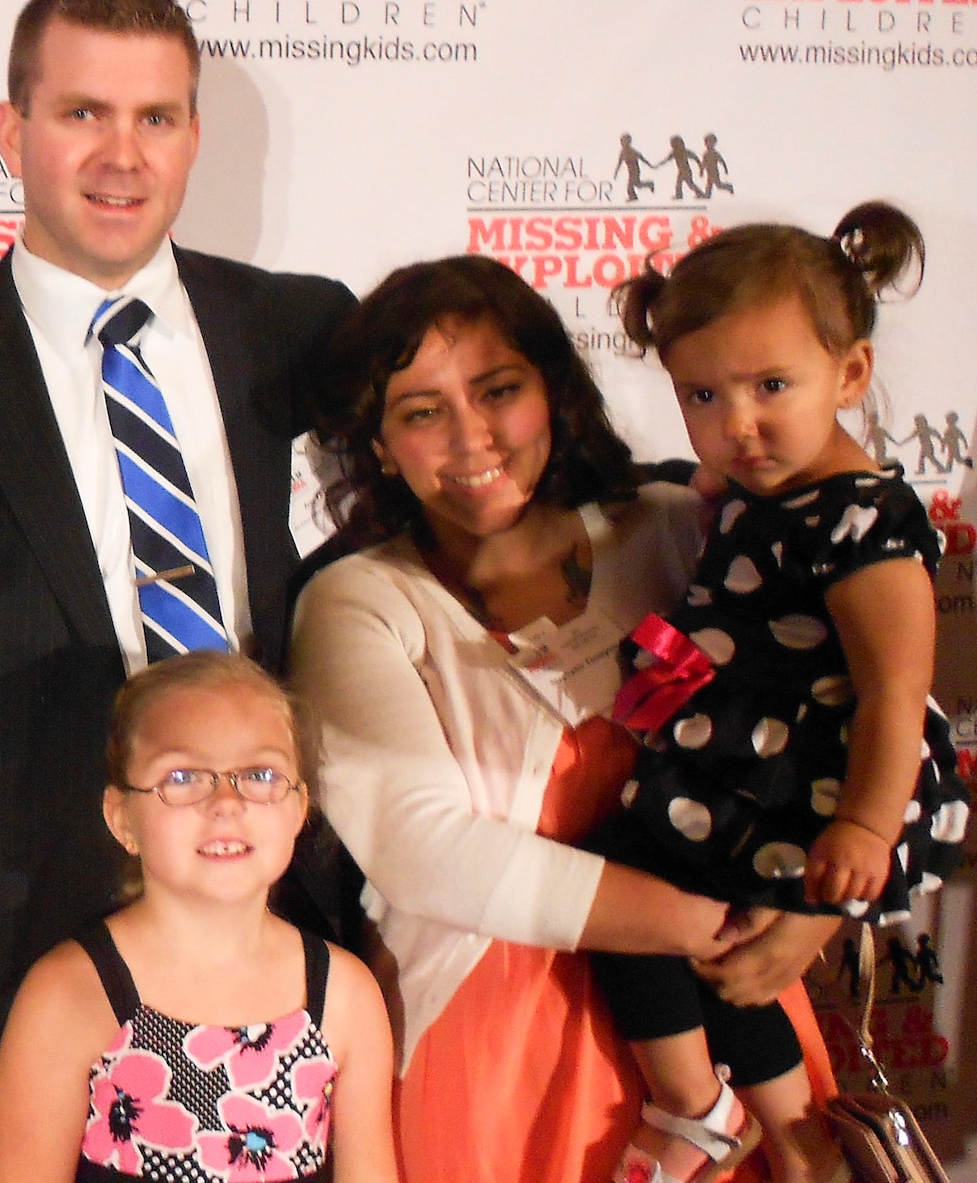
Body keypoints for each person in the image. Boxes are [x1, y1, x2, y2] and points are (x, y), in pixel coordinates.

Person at [0, 0, 356, 1183]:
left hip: (285, 948)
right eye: (80, 115)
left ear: (194, 137)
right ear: (11, 133)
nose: (121, 156)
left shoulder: (300, 331)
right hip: (23, 968)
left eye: (154, 117)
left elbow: (476, 471)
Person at [290, 254, 837, 1183]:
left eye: (498, 390)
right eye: (422, 413)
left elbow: (849, 719)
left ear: (554, 390)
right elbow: (424, 851)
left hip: (735, 1019)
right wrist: (714, 927)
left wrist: (812, 917)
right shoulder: (358, 601)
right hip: (499, 1051)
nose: (471, 438)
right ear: (379, 445)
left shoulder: (679, 530)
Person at [588, 204, 968, 1183]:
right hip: (747, 764)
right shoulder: (755, 491)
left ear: (848, 375)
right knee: (718, 949)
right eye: (701, 394)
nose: (734, 423)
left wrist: (862, 832)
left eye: (769, 387)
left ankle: (699, 1111)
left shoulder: (863, 519)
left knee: (641, 892)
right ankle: (784, 1138)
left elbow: (893, 692)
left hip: (822, 783)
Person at [0, 653, 395, 1183]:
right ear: (121, 818)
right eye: (181, 777)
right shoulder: (68, 995)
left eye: (260, 773)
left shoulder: (344, 995)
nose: (227, 802)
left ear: (299, 809)